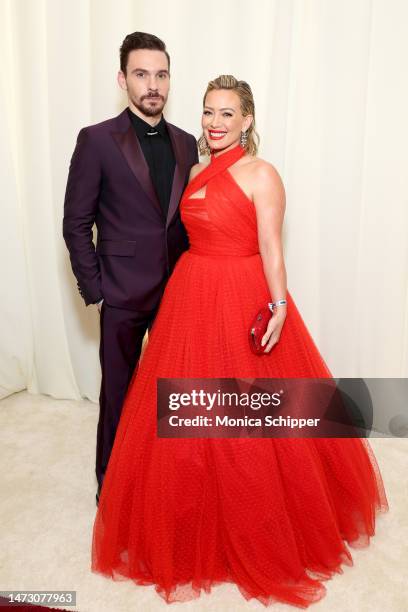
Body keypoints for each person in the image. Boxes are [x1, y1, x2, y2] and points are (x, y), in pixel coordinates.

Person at [91, 75, 389, 607]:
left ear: (247, 120)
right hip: (191, 293)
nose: (215, 122)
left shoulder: (261, 174)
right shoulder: (197, 168)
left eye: (227, 113)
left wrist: (278, 306)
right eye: (208, 112)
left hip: (243, 293)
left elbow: (272, 247)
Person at [62, 32, 198, 504]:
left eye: (160, 74)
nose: (152, 85)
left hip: (177, 292)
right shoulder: (97, 140)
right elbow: (76, 222)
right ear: (123, 79)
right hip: (120, 292)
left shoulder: (186, 144)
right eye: (141, 74)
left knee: (172, 395)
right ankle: (113, 490)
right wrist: (96, 288)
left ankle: (166, 483)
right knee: (118, 396)